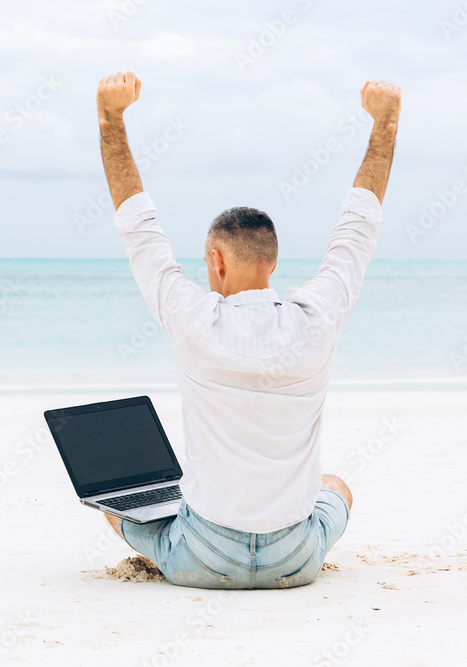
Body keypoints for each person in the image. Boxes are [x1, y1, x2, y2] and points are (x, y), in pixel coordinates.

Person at [95, 71, 400, 589]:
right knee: (336, 487)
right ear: (272, 264)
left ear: (215, 260)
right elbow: (358, 227)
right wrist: (386, 121)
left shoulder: (192, 319)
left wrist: (110, 115)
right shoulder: (317, 318)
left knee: (114, 504)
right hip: (295, 560)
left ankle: (168, 553)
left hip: (204, 558)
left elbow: (138, 226)